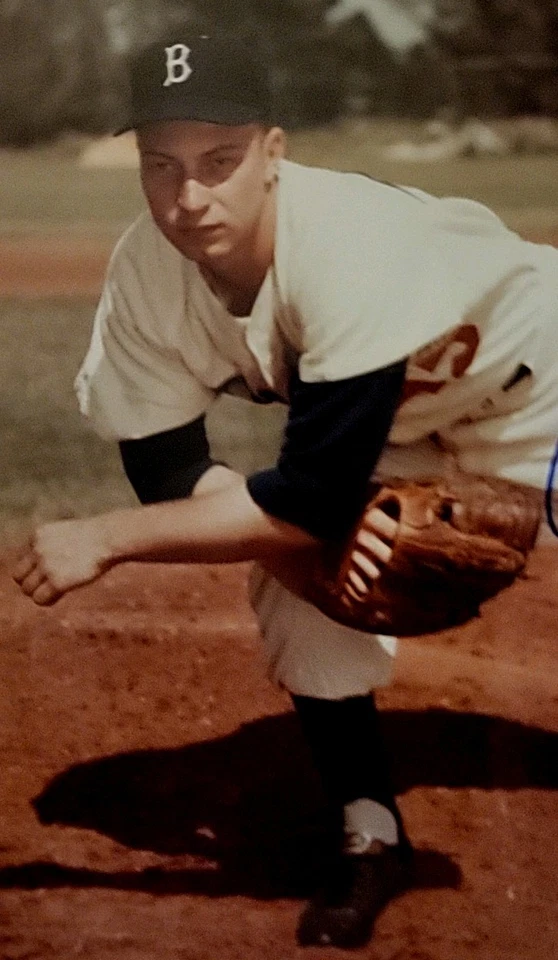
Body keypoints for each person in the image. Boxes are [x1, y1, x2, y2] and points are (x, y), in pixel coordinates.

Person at [13, 28, 558, 950]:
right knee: (289, 580)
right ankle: (369, 832)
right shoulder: (145, 275)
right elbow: (168, 462)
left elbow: (309, 495)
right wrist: (307, 568)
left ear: (273, 153)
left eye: (219, 161)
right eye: (161, 165)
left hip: (538, 383)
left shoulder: (344, 239)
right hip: (400, 428)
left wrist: (101, 539)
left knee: (290, 523)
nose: (188, 197)